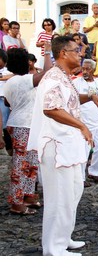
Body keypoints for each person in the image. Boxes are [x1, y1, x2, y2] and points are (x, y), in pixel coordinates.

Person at [27, 36, 98, 256]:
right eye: (76, 50)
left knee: (73, 192)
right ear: (63, 53)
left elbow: (71, 100)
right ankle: (54, 249)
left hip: (68, 145)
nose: (81, 54)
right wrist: (83, 126)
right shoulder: (52, 78)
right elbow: (51, 109)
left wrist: (92, 96)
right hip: (56, 145)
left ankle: (64, 237)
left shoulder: (65, 77)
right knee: (59, 198)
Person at [3, 44, 52, 215]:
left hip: (25, 124)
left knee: (31, 162)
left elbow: (8, 103)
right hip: (23, 125)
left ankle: (27, 194)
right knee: (21, 164)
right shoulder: (22, 79)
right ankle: (16, 201)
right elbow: (47, 73)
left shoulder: (11, 81)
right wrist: (47, 52)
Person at [73, 59, 98, 187]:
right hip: (84, 120)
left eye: (88, 69)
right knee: (84, 149)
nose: (85, 71)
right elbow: (74, 99)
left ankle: (94, 171)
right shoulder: (76, 82)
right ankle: (81, 177)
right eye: (84, 69)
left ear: (93, 70)